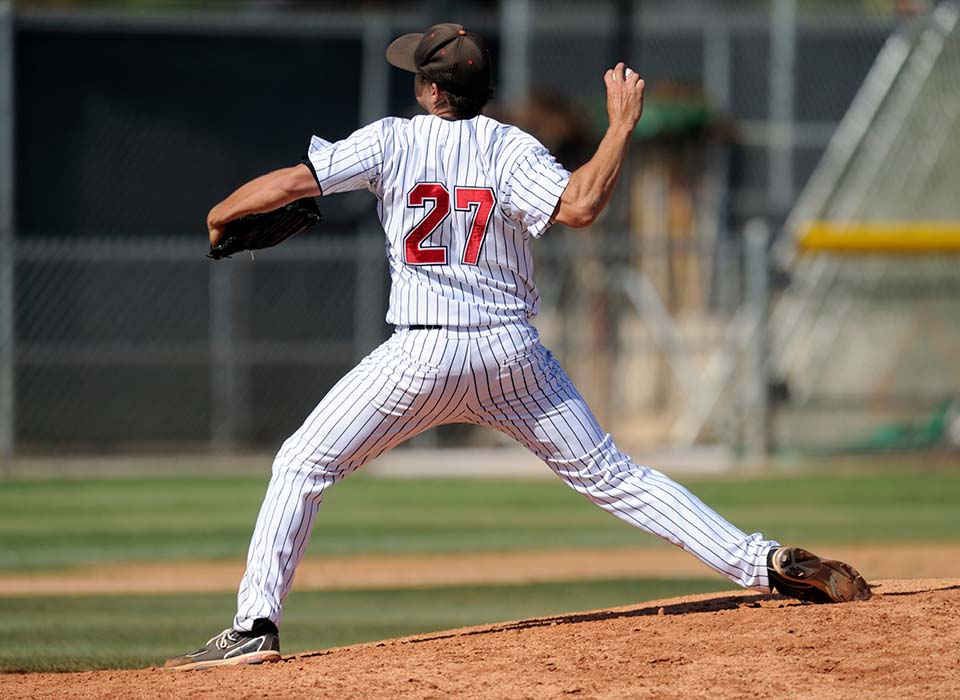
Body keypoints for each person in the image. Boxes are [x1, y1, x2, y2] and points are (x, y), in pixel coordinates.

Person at [165, 23, 870, 671]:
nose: (415, 80)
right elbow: (582, 206)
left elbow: (293, 181)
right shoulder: (511, 147)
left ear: (434, 90)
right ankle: (764, 559)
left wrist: (220, 211)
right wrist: (620, 126)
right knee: (616, 477)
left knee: (301, 465)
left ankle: (255, 624)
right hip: (511, 357)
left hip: (422, 356)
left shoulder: (391, 140)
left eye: (419, 72)